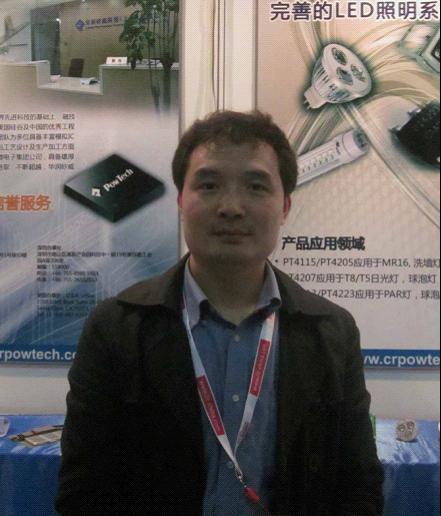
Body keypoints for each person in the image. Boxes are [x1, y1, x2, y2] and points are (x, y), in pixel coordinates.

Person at [56, 111, 384, 516]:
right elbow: (84, 490)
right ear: (181, 201)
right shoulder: (117, 328)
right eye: (209, 185)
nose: (231, 207)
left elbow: (357, 484)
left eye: (256, 186)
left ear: (285, 206)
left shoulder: (331, 331)